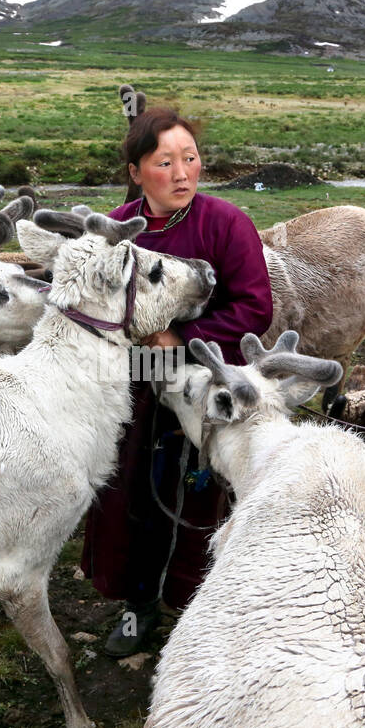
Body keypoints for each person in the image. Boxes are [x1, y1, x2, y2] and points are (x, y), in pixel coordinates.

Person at [79, 105, 273, 656]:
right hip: (131, 388)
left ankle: (201, 608)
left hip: (201, 383)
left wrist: (182, 338)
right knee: (127, 495)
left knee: (198, 496)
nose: (183, 173)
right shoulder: (114, 230)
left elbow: (255, 308)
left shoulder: (225, 223)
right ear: (137, 171)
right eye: (166, 162)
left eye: (190, 158)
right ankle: (138, 607)